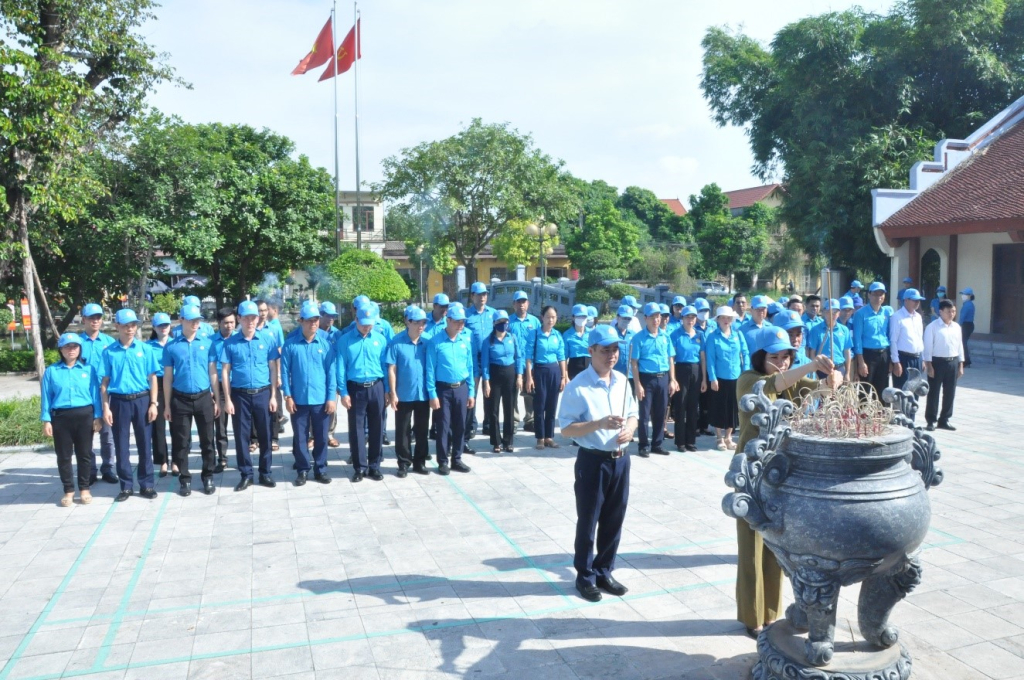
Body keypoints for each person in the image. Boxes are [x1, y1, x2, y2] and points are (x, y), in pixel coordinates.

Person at [734, 326, 840, 638]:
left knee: (775, 547)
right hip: (752, 473)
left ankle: (770, 614)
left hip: (781, 472)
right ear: (760, 357)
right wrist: (811, 365)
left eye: (786, 356)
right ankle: (751, 617)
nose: (782, 362)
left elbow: (819, 392)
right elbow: (774, 384)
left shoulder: (793, 379)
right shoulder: (748, 379)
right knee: (751, 547)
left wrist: (832, 380)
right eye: (775, 356)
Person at [558, 324, 639, 603]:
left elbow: (633, 413)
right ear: (590, 351)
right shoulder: (578, 386)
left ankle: (604, 570)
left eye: (615, 350)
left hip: (620, 460)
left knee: (614, 519)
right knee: (589, 519)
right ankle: (585, 576)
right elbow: (566, 428)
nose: (611, 355)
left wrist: (630, 429)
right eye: (605, 350)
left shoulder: (622, 380)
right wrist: (598, 424)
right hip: (593, 461)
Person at [101, 308, 161, 502]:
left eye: (133, 325)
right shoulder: (109, 352)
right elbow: (105, 382)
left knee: (145, 444)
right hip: (119, 402)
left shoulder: (145, 349)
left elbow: (153, 378)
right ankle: (126, 486)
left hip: (142, 400)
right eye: (126, 325)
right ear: (117, 326)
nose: (130, 329)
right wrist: (105, 407)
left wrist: (153, 403)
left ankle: (146, 484)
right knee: (121, 445)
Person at [220, 300, 280, 491]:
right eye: (246, 318)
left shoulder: (267, 339)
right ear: (239, 319)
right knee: (241, 436)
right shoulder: (230, 343)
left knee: (266, 434)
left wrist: (273, 396)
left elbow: (273, 368)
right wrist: (228, 399)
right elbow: (225, 372)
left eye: (253, 317)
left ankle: (265, 472)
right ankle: (246, 474)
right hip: (240, 395)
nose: (250, 321)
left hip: (263, 393)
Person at [162, 304, 220, 497]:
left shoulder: (208, 343)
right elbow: (168, 377)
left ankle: (208, 476)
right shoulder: (172, 346)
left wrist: (217, 399)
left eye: (198, 320)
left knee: (207, 440)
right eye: (192, 320)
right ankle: (185, 479)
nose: (196, 323)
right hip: (181, 399)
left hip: (203, 397)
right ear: (181, 320)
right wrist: (167, 405)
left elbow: (213, 372)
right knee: (181, 442)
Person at [41, 333, 103, 506]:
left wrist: (97, 416)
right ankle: (68, 490)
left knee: (84, 454)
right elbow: (46, 396)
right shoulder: (52, 371)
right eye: (67, 346)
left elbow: (95, 395)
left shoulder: (88, 369)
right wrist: (46, 420)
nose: (71, 350)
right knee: (64, 456)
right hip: (61, 417)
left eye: (75, 346)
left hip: (84, 415)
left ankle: (84, 488)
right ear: (60, 349)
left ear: (80, 349)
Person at [281, 300, 337, 486]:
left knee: (321, 437)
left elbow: (331, 373)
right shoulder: (290, 345)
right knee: (300, 437)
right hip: (298, 400)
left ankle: (321, 469)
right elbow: (284, 372)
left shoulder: (326, 344)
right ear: (301, 321)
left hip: (320, 399)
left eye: (316, 320)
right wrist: (288, 396)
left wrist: (331, 398)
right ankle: (303, 469)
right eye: (309, 320)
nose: (313, 323)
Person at [335, 303, 389, 482]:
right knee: (356, 429)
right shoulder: (345, 340)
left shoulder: (380, 339)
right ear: (356, 320)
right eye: (364, 323)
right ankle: (359, 467)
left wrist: (387, 390)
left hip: (376, 386)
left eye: (370, 324)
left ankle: (374, 466)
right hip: (355, 388)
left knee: (377, 427)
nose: (367, 327)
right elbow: (341, 368)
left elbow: (385, 366)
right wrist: (343, 392)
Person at [426, 305, 474, 474]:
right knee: (443, 426)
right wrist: (432, 394)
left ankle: (457, 459)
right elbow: (430, 370)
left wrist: (471, 392)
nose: (461, 325)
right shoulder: (435, 342)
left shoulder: (465, 341)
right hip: (443, 390)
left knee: (460, 425)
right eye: (457, 321)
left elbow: (470, 367)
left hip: (461, 388)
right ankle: (443, 461)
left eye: (463, 322)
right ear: (448, 320)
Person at [387, 306, 431, 475]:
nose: (421, 326)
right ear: (408, 322)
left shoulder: (428, 342)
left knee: (422, 430)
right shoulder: (396, 342)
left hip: (423, 393)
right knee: (403, 430)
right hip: (403, 394)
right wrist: (393, 393)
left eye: (424, 323)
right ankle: (404, 463)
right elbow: (392, 369)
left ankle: (420, 462)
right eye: (417, 322)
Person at [631, 302, 677, 457]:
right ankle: (643, 445)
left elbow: (670, 359)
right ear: (645, 318)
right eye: (652, 317)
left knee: (660, 413)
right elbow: (634, 363)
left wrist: (672, 379)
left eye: (658, 316)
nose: (656, 320)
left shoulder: (665, 336)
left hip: (663, 377)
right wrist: (638, 384)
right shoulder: (638, 338)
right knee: (644, 414)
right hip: (646, 379)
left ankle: (657, 444)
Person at [78, 302, 117, 484]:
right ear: (83, 319)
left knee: (107, 434)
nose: (95, 321)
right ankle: (90, 470)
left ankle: (108, 468)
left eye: (98, 317)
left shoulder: (110, 343)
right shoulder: (76, 343)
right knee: (86, 436)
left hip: (105, 394)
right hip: (84, 395)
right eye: (91, 318)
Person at [703, 306, 749, 451]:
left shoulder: (738, 335)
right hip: (719, 378)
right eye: (723, 317)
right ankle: (719, 437)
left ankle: (728, 437)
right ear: (717, 319)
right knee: (718, 407)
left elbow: (745, 353)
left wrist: (746, 372)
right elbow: (710, 359)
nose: (726, 320)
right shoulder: (712, 337)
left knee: (732, 408)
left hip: (736, 377)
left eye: (728, 318)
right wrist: (712, 378)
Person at [525, 305, 568, 449]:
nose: (551, 320)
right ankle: (540, 438)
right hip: (540, 371)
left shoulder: (557, 335)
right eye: (548, 317)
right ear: (542, 317)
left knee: (552, 405)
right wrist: (529, 377)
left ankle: (549, 437)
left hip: (554, 371)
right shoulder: (535, 334)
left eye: (553, 317)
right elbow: (528, 357)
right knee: (540, 405)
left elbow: (561, 357)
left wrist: (563, 376)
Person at [481, 310, 523, 454]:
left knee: (509, 408)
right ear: (494, 323)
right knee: (493, 410)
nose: (503, 324)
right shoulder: (488, 341)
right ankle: (496, 442)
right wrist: (486, 382)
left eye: (505, 321)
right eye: (500, 322)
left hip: (510, 373)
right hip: (495, 374)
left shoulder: (512, 337)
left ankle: (508, 441)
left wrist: (519, 376)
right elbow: (485, 363)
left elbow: (519, 357)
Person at [923, 299, 964, 432]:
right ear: (941, 312)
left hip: (952, 362)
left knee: (950, 392)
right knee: (934, 392)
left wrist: (961, 364)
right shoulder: (932, 327)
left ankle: (944, 419)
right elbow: (928, 347)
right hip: (937, 362)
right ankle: (931, 420)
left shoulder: (956, 327)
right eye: (948, 311)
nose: (952, 314)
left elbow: (960, 346)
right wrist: (929, 365)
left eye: (954, 311)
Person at [465, 282, 497, 439]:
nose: (482, 297)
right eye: (479, 294)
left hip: (490, 358)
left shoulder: (493, 313)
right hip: (473, 358)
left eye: (484, 294)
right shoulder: (466, 315)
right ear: (472, 296)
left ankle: (488, 423)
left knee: (489, 391)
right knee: (472, 391)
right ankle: (471, 425)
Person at [669, 306, 703, 452]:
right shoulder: (675, 334)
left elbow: (703, 357)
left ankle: (690, 441)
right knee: (681, 405)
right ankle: (680, 441)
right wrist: (673, 378)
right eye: (687, 317)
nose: (690, 320)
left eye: (693, 317)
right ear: (682, 318)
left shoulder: (700, 335)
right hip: (681, 369)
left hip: (696, 369)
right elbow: (671, 358)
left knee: (693, 407)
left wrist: (704, 378)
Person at [852, 282, 893, 400]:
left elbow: (889, 335)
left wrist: (891, 360)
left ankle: (881, 412)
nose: (878, 297)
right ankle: (863, 412)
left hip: (884, 354)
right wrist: (861, 362)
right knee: (865, 391)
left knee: (882, 391)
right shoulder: (860, 314)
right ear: (869, 295)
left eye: (881, 294)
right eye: (875, 294)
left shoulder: (887, 312)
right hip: (868, 355)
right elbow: (857, 339)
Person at [208, 307, 236, 472]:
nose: (229, 326)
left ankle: (243, 457)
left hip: (237, 386)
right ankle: (222, 458)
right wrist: (210, 389)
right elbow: (207, 367)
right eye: (226, 323)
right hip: (217, 386)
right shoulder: (210, 342)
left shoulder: (239, 339)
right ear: (219, 323)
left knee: (241, 426)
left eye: (232, 322)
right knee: (220, 426)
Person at [509, 291, 541, 432]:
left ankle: (530, 420)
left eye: (524, 302)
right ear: (514, 304)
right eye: (518, 302)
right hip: (513, 364)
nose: (521, 304)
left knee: (530, 392)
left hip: (530, 364)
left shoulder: (534, 322)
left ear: (528, 303)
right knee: (512, 393)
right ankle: (514, 420)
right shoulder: (509, 322)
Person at [148, 313, 174, 478]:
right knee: (158, 426)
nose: (163, 328)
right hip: (157, 384)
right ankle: (162, 461)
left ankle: (177, 460)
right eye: (160, 325)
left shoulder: (176, 343)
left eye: (166, 325)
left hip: (174, 383)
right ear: (154, 327)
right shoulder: (148, 346)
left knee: (177, 425)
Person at [316, 301, 344, 447]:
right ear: (321, 315)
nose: (331, 319)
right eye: (328, 315)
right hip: (316, 374)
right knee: (313, 405)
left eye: (333, 316)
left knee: (332, 405)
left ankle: (329, 433)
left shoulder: (337, 334)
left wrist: (340, 380)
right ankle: (313, 435)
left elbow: (341, 357)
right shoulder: (313, 331)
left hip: (332, 375)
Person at [889, 288, 926, 391]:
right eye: (914, 300)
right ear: (906, 300)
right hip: (904, 358)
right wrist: (896, 362)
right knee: (902, 391)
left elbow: (920, 338)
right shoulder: (897, 317)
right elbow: (893, 340)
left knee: (915, 391)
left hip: (917, 358)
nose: (917, 302)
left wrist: (922, 358)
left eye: (918, 300)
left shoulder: (918, 317)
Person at [805, 299, 852, 379]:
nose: (832, 315)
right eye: (829, 312)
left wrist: (847, 373)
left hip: (839, 368)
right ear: (824, 312)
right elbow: (812, 353)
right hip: (821, 369)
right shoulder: (815, 330)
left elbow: (847, 352)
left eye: (835, 312)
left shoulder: (844, 330)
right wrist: (814, 372)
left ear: (839, 313)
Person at [693, 297, 714, 437]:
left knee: (707, 398)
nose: (704, 313)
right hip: (697, 365)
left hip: (710, 364)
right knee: (695, 397)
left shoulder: (713, 325)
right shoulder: (691, 326)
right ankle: (695, 426)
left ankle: (705, 425)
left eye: (706, 310)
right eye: (701, 310)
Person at [564, 304, 592, 380]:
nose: (581, 319)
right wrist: (565, 377)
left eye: (584, 316)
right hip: (574, 368)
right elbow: (564, 358)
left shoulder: (592, 333)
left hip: (590, 367)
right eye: (579, 316)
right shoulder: (567, 335)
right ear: (573, 317)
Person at [959, 288, 975, 368]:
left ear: (969, 296)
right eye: (963, 294)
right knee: (963, 342)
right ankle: (965, 361)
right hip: (969, 325)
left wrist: (959, 325)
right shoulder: (969, 304)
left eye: (964, 294)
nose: (963, 296)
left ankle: (966, 361)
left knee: (963, 343)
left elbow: (962, 316)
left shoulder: (967, 305)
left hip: (966, 325)